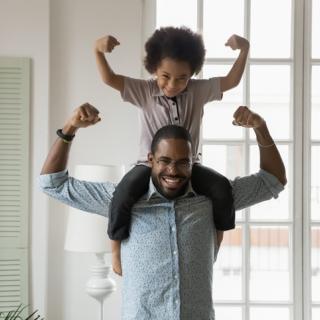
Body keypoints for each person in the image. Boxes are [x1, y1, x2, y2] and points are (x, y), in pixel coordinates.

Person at [39, 103, 286, 320]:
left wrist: (260, 127)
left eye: (182, 162)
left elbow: (273, 180)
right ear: (150, 159)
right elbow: (52, 184)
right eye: (165, 161)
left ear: (193, 162)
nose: (173, 171)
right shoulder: (121, 200)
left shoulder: (212, 200)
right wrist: (70, 128)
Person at [94, 26, 250, 275]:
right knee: (122, 195)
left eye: (182, 78)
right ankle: (114, 249)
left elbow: (231, 81)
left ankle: (216, 242)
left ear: (192, 74)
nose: (172, 84)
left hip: (190, 166)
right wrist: (98, 51)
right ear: (154, 68)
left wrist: (244, 50)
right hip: (149, 166)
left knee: (221, 188)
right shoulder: (143, 91)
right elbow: (109, 79)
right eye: (165, 76)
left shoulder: (198, 91)